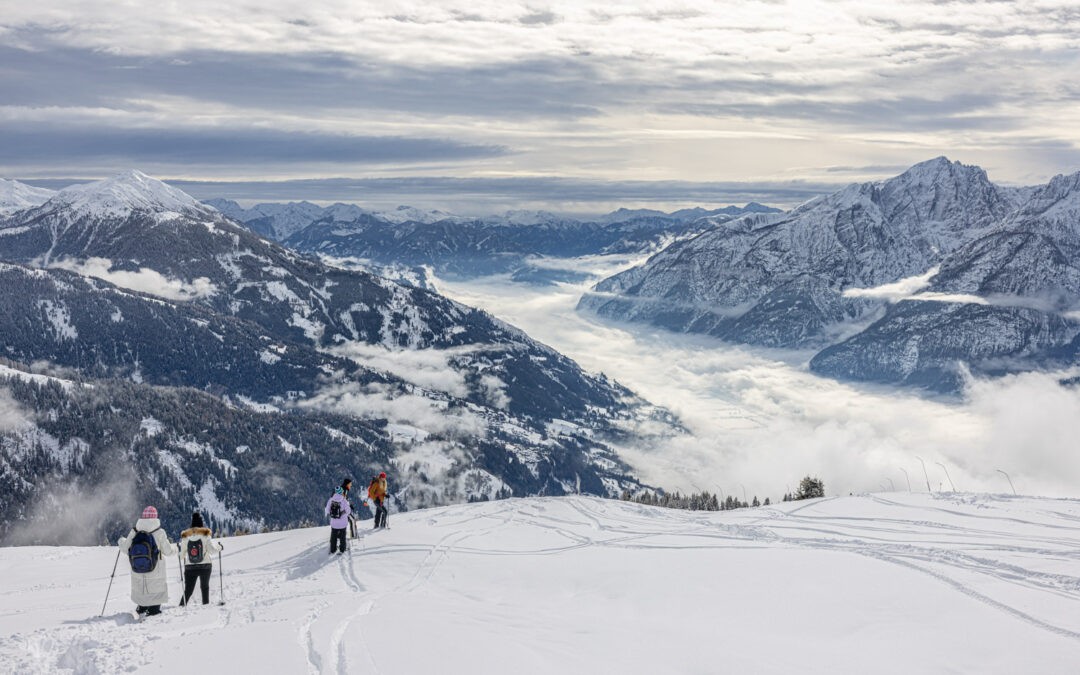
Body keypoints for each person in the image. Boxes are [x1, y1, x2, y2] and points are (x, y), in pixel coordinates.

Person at [117, 505, 177, 616]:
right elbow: (168, 551)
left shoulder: (135, 531)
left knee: (141, 589)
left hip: (137, 568)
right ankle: (152, 616)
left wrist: (121, 541)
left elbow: (125, 548)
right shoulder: (159, 532)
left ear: (143, 517)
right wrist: (177, 549)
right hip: (155, 570)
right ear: (155, 517)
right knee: (155, 592)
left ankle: (141, 608)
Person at [178, 511, 224, 606]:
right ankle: (205, 606)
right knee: (204, 587)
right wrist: (220, 547)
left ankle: (181, 606)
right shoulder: (205, 534)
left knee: (188, 590)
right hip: (205, 566)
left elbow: (181, 555)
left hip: (190, 567)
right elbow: (211, 550)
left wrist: (181, 552)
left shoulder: (186, 536)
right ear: (201, 523)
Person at [325, 486, 351, 554]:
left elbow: (327, 510)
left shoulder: (331, 500)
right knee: (342, 537)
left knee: (334, 537)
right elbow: (348, 511)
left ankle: (333, 549)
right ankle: (342, 549)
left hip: (334, 523)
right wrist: (343, 513)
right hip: (343, 523)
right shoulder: (344, 500)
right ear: (341, 492)